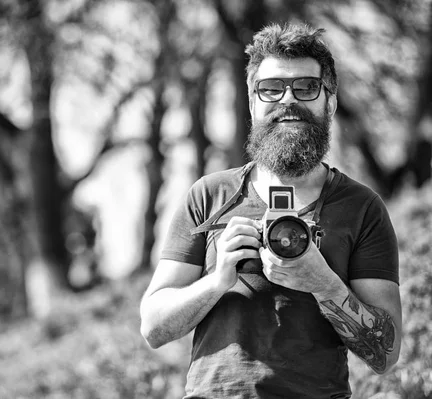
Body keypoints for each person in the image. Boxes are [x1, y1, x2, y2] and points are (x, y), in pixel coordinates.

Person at [139, 23, 402, 399]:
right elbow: (153, 327)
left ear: (331, 100)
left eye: (306, 87)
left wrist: (321, 282)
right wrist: (216, 281)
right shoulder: (208, 195)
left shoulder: (362, 208)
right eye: (271, 88)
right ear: (252, 102)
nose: (288, 100)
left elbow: (387, 354)